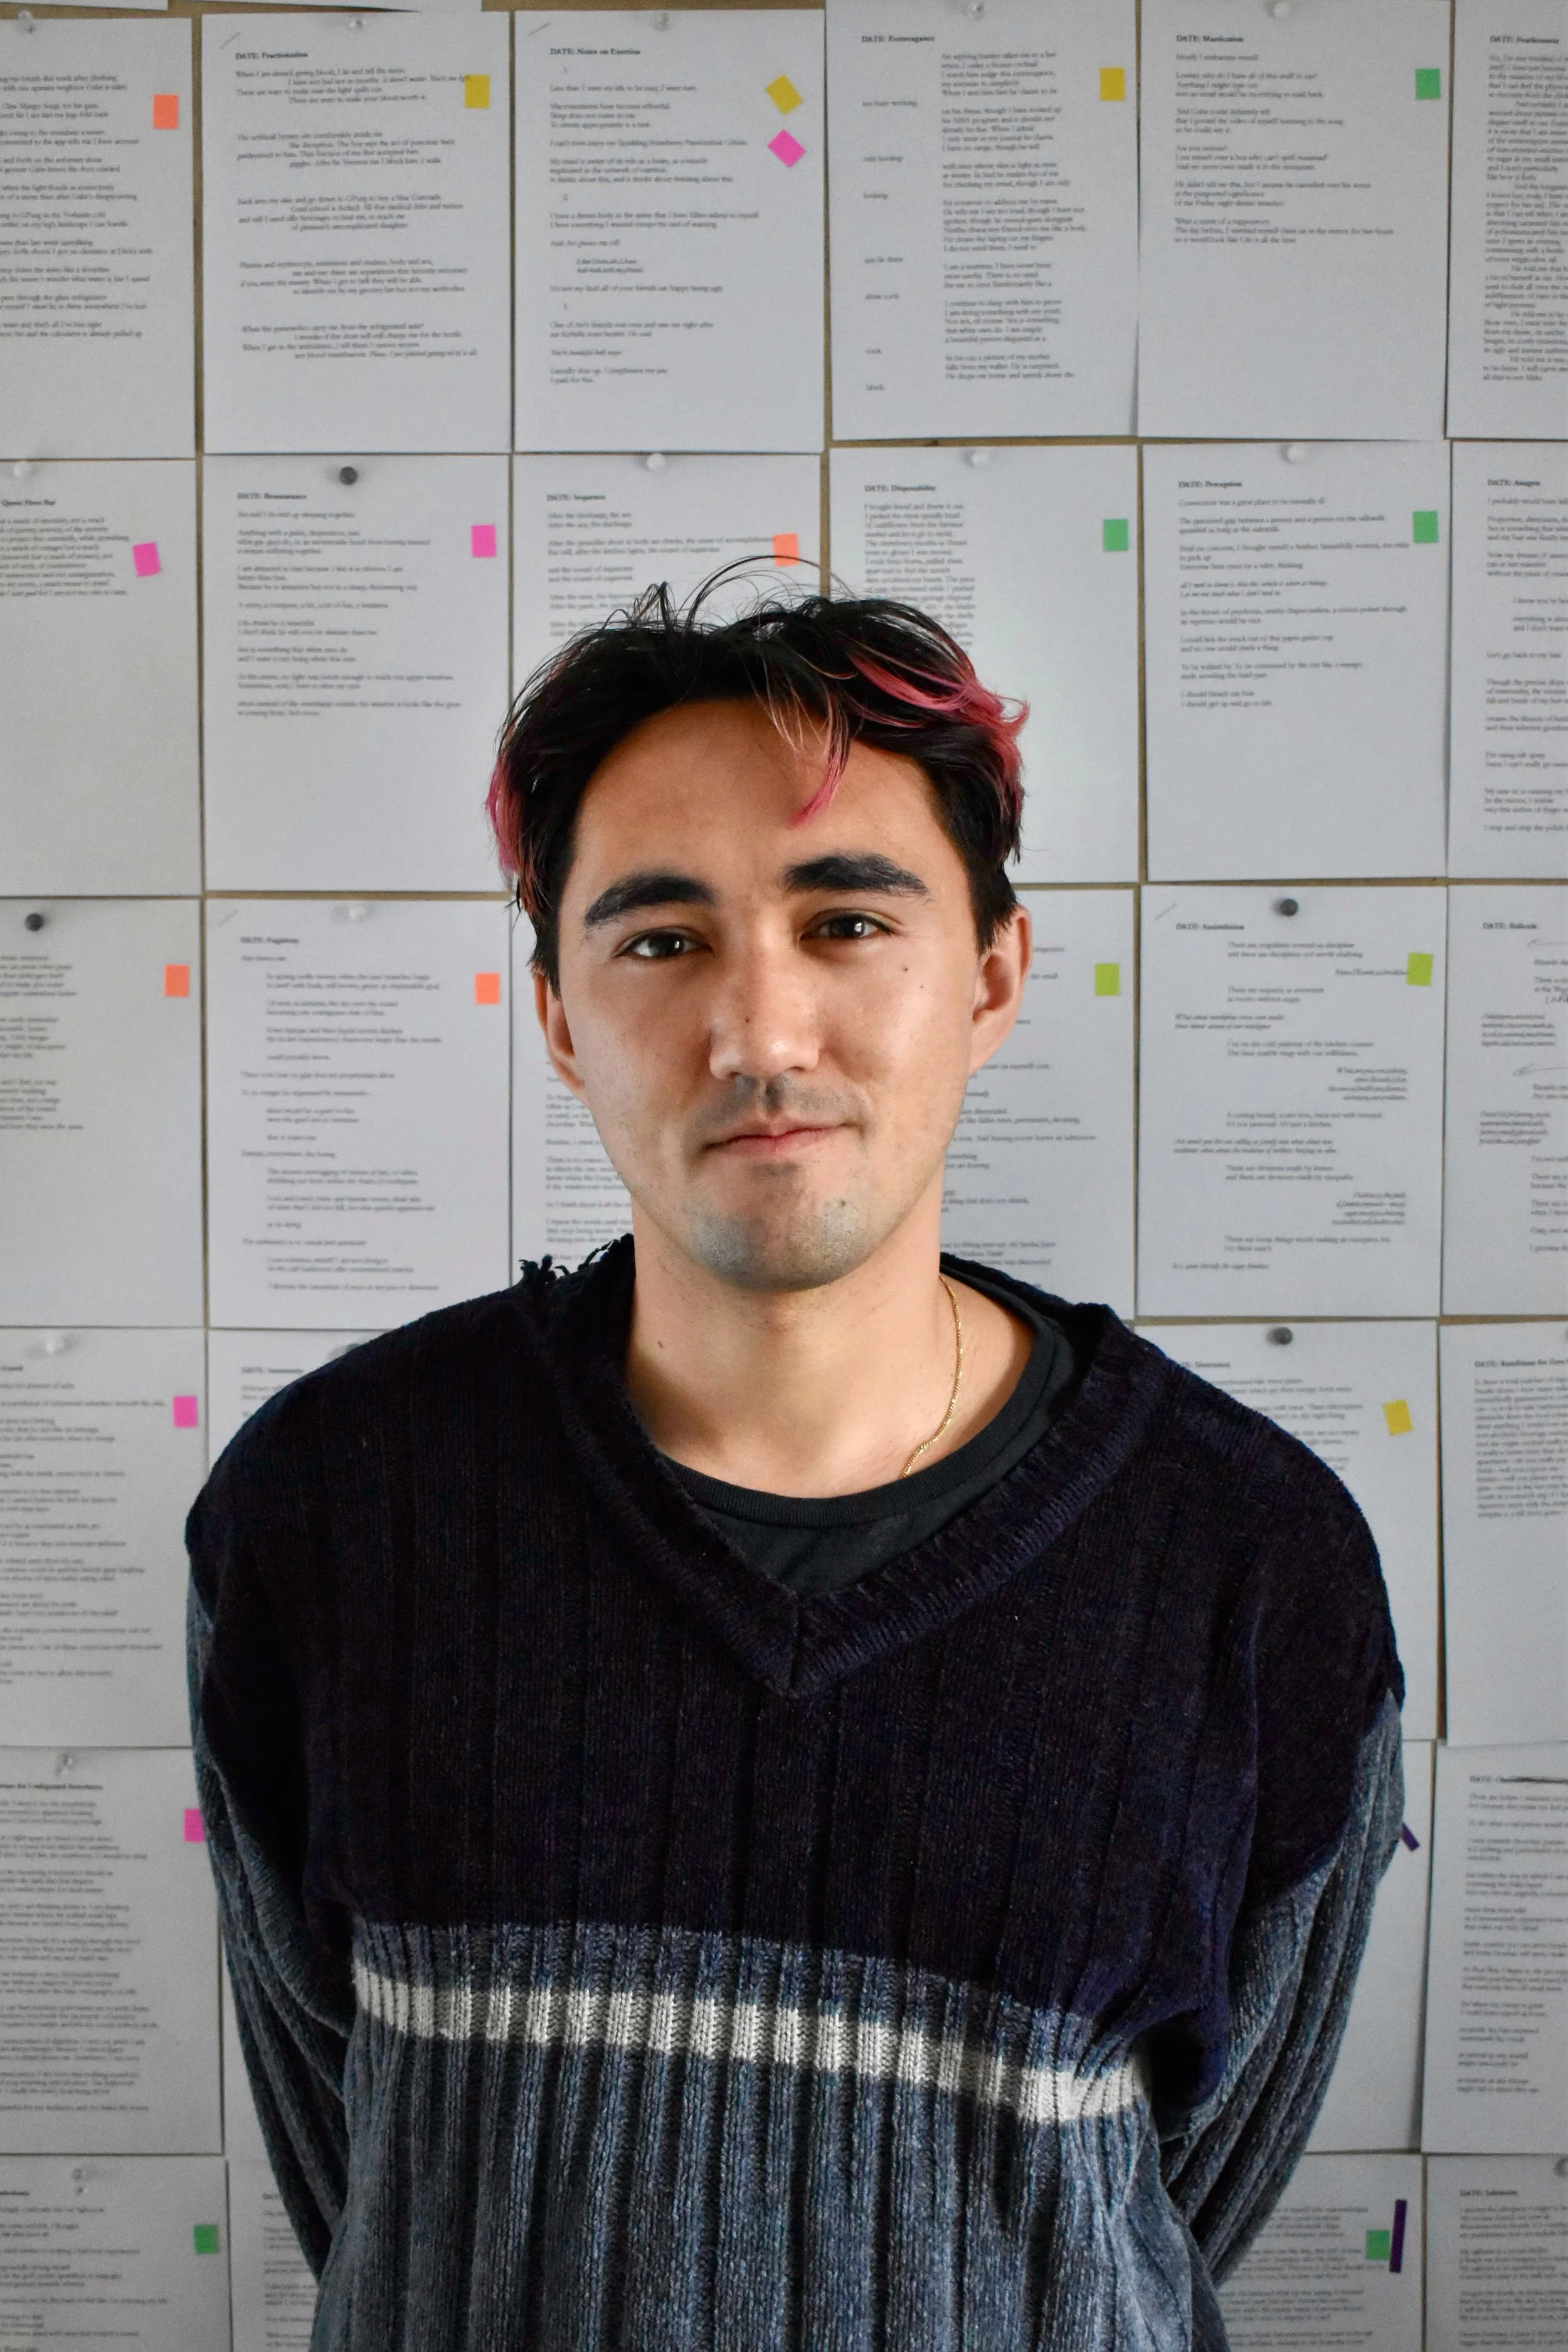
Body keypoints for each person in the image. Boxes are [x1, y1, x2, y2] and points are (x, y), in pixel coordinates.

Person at [186, 585, 1404, 2351]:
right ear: (554, 1015)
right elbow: (365, 2162)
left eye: (843, 921)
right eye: (660, 941)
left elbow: (1175, 2198)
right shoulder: (331, 1508)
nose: (758, 1035)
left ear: (991, 973)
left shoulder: (1248, 1560)